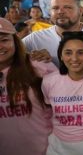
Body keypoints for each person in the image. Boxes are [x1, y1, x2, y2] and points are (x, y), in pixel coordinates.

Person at [0, 17, 57, 155]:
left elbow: (67, 106)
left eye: (4, 40)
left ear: (15, 41)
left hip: (45, 150)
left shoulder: (39, 66)